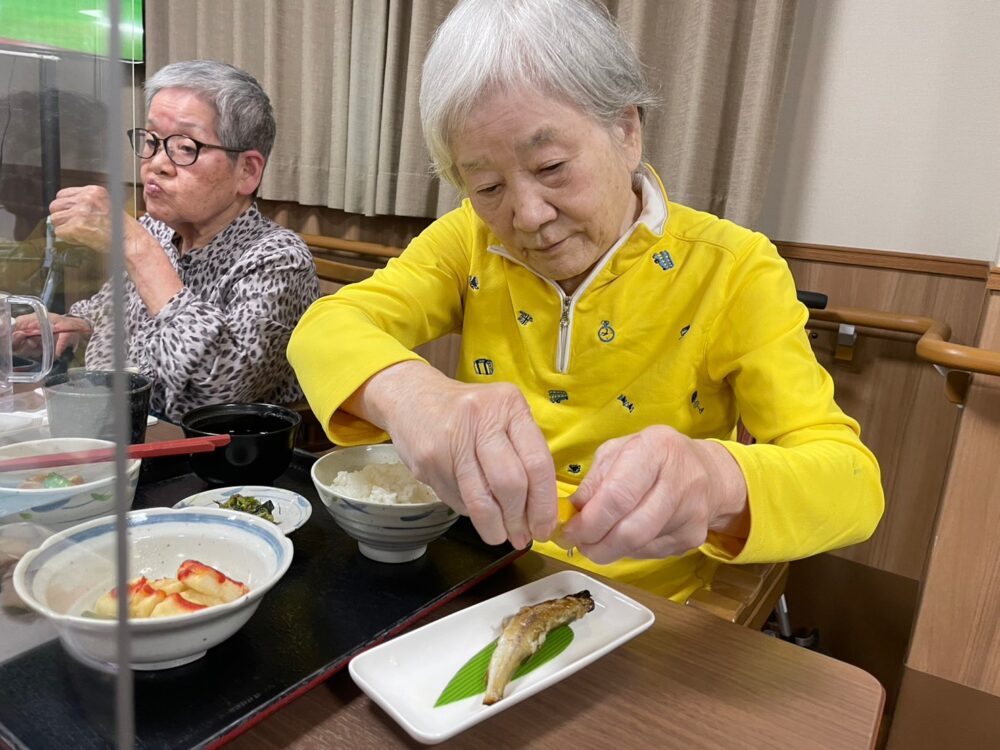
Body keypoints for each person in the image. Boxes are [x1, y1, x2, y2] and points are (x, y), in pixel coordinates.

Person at [287, 0, 884, 600]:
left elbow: (851, 485)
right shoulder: (470, 241)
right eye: (488, 186)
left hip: (649, 603)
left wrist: (718, 478)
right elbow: (324, 327)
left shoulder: (732, 269)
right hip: (478, 573)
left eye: (550, 166)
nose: (526, 215)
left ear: (626, 132)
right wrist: (413, 396)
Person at [13, 60, 319, 421]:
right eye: (152, 141)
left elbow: (217, 393)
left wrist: (136, 246)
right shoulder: (157, 230)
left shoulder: (278, 258)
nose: (157, 163)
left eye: (186, 147)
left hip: (209, 459)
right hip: (115, 425)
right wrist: (70, 327)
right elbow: (106, 312)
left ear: (247, 171)